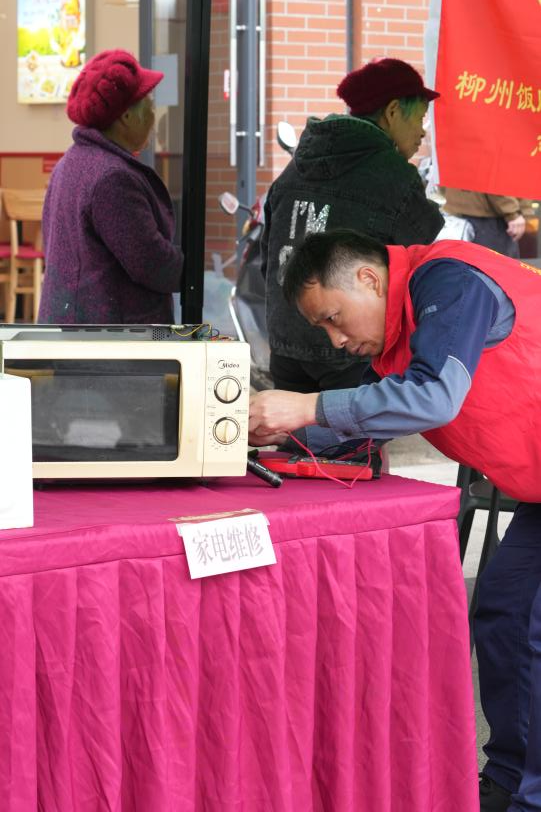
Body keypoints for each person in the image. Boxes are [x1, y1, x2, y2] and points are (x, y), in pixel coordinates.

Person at [249, 229, 541, 813]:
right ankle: (510, 779)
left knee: (532, 625)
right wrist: (279, 435)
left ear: (368, 278)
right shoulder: (403, 331)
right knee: (505, 614)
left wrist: (304, 406)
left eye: (333, 319)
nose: (335, 340)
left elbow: (432, 396)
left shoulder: (451, 280)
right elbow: (370, 416)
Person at [262, 57, 444, 394]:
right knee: (351, 430)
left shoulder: (295, 167)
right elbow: (426, 259)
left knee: (292, 426)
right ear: (393, 112)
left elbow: (268, 258)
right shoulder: (393, 174)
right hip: (352, 349)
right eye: (420, 118)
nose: (422, 132)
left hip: (286, 340)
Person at [38, 49, 183, 324]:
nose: (154, 116)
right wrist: (193, 272)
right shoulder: (112, 178)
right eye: (149, 105)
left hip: (75, 331)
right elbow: (150, 263)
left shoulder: (70, 163)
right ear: (126, 117)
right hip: (107, 339)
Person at [442, 189, 534, 258]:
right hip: (489, 216)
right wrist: (512, 213)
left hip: (464, 210)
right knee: (496, 271)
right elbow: (496, 177)